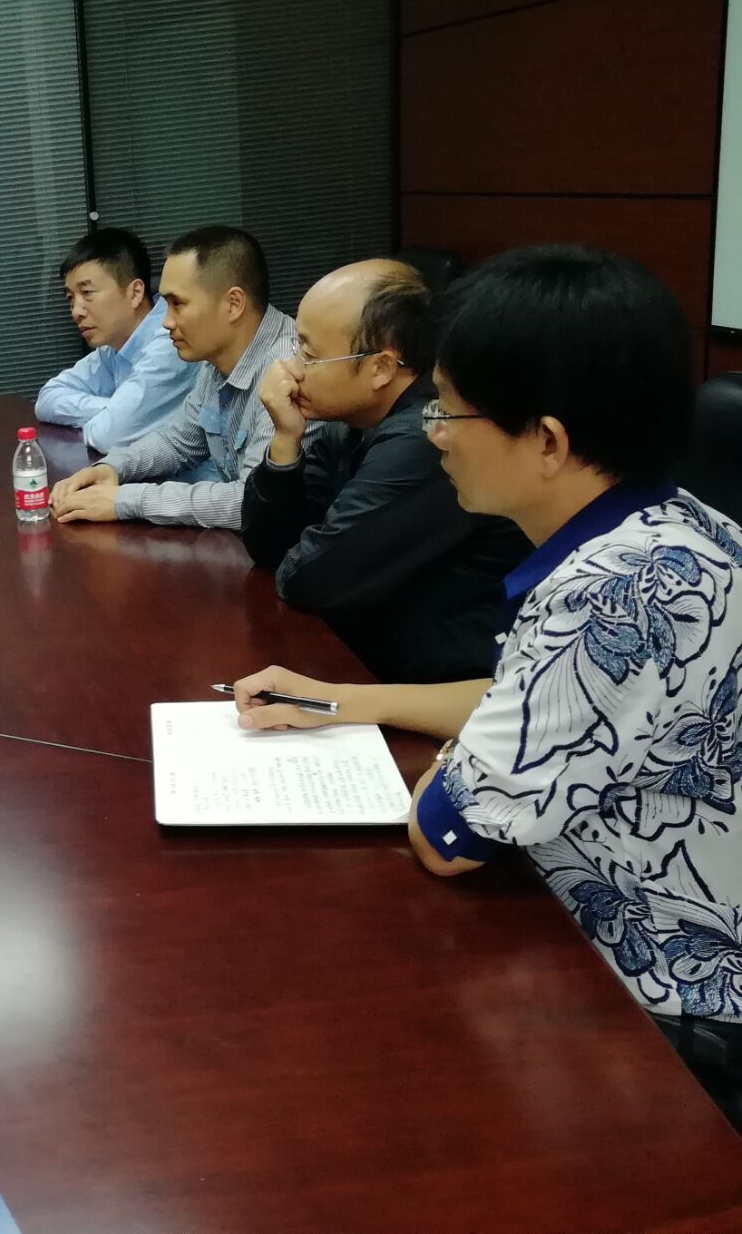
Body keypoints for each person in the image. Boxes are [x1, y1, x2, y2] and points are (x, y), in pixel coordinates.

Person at [230, 247, 742, 1094]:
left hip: (659, 1009)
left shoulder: (610, 594)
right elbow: (525, 699)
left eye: (450, 411)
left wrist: (468, 761)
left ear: (547, 441)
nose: (433, 432)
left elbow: (446, 835)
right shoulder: (681, 524)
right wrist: (342, 700)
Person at [240, 259, 530, 682]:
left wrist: (303, 550)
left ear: (381, 367)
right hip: (369, 659)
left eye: (309, 354)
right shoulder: (350, 421)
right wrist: (285, 438)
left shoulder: (427, 438)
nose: (292, 369)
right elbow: (270, 549)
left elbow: (311, 579)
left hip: (446, 684)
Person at [49, 226, 295, 529]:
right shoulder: (215, 362)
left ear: (233, 304)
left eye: (177, 304)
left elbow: (247, 501)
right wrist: (112, 468)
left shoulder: (287, 370)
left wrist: (125, 500)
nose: (166, 322)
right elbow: (177, 441)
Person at [35, 227, 199, 453]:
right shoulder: (114, 346)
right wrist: (115, 409)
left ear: (135, 293)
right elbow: (47, 399)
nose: (76, 311)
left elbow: (107, 436)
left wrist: (119, 416)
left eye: (87, 293)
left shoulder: (172, 341)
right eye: (71, 298)